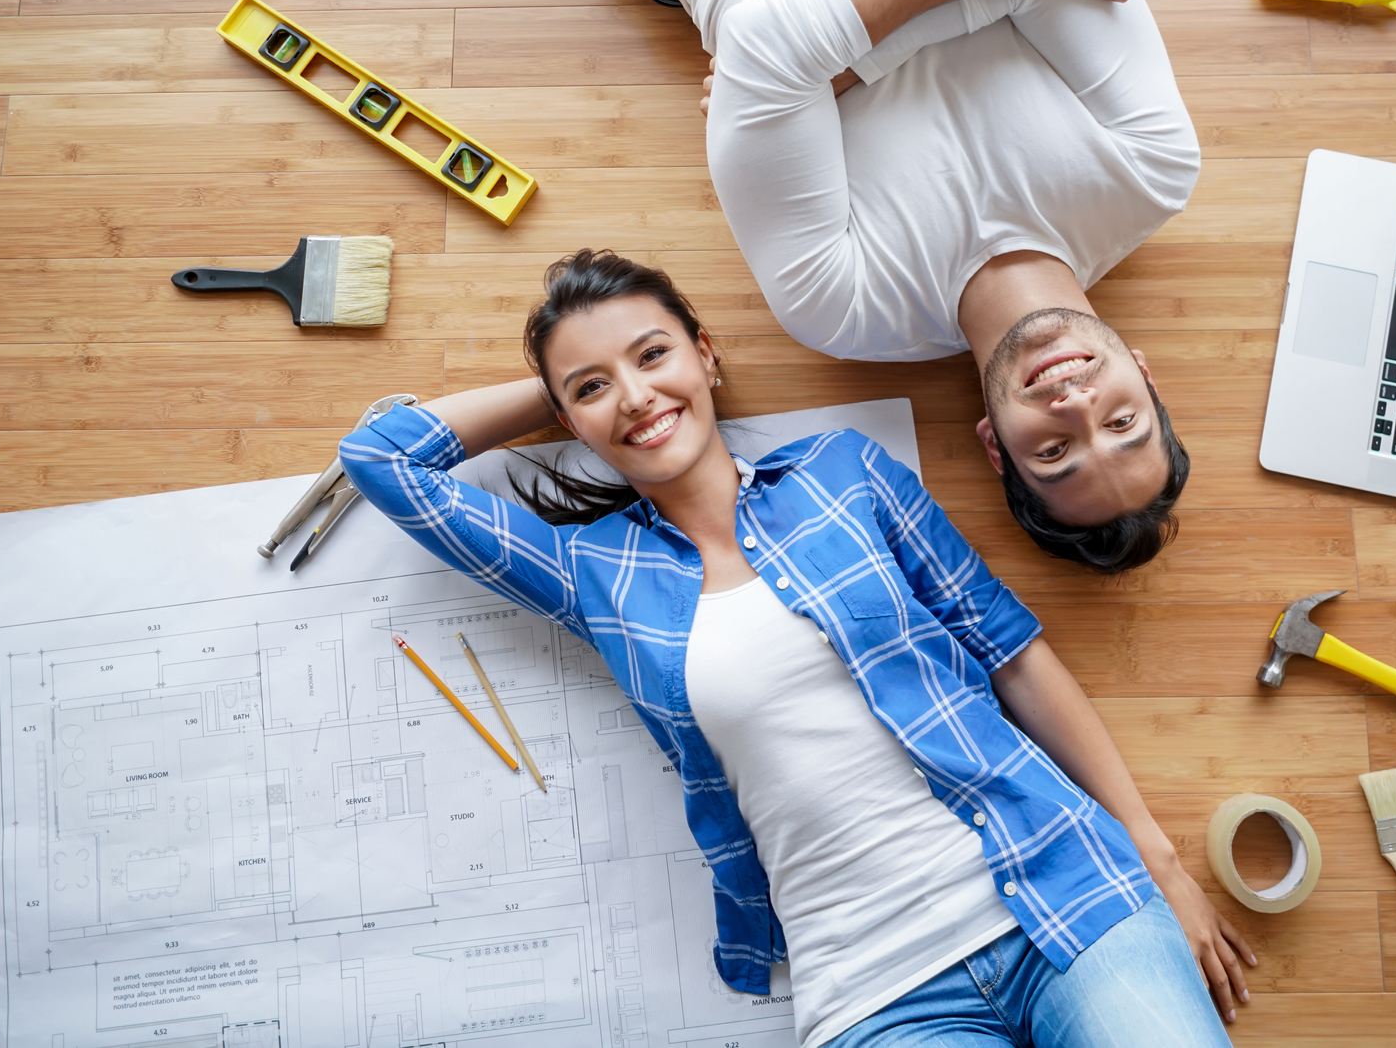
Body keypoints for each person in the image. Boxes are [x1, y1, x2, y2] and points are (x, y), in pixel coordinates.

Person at [362, 0, 1202, 574]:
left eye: (1054, 451)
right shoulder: (1153, 173)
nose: (1076, 407)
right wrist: (823, 76)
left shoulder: (843, 314)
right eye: (1122, 422)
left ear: (995, 443)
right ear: (1146, 377)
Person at [339, 251, 1251, 1047]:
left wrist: (1156, 856)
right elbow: (384, 459)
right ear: (568, 419)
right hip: (874, 990)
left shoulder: (845, 472)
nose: (636, 394)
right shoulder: (592, 573)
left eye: (653, 355)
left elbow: (1013, 656)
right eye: (593, 387)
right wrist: (571, 387)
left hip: (1064, 891)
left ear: (707, 352)